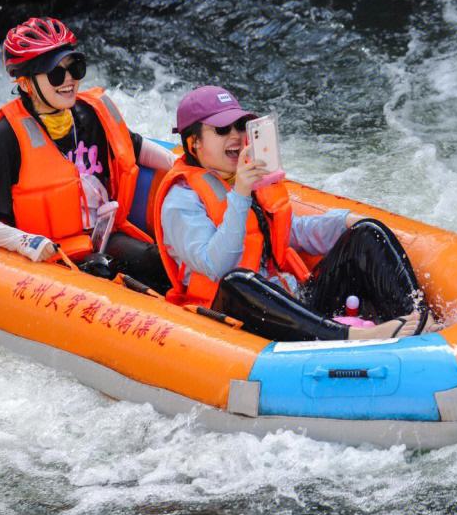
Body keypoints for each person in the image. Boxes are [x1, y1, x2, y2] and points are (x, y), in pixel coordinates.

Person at [152, 85, 439, 341]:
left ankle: (419, 319)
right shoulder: (182, 201)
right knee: (237, 281)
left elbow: (285, 232)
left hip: (290, 306)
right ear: (194, 143)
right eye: (222, 130)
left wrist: (344, 222)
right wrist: (240, 193)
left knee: (368, 233)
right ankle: (354, 336)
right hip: (238, 312)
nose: (237, 136)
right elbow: (217, 266)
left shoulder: (244, 178)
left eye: (240, 126)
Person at [0, 16, 175, 289]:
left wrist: (180, 166)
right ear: (25, 85)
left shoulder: (90, 113)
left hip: (103, 238)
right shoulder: (6, 138)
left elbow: (135, 147)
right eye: (56, 74)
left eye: (74, 68)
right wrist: (25, 242)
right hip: (49, 258)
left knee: (158, 263)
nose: (69, 80)